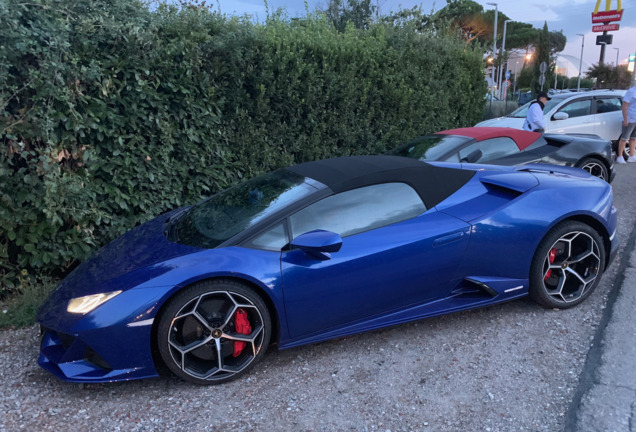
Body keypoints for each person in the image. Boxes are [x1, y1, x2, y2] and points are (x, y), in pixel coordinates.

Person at [616, 82, 636, 164]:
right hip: (630, 118)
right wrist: (625, 119)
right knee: (624, 138)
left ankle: (632, 156)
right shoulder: (631, 91)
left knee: (633, 138)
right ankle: (620, 156)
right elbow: (624, 105)